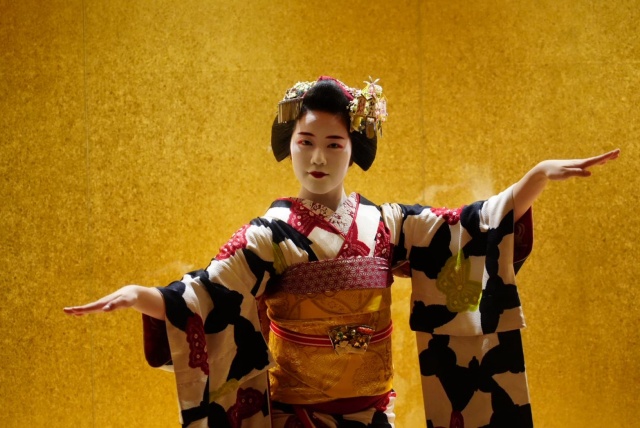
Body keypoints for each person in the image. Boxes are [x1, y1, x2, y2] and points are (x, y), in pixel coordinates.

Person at [64, 76, 619, 428]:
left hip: (373, 414)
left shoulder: (387, 223)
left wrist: (533, 180)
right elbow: (209, 294)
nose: (318, 158)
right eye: (305, 143)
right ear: (289, 147)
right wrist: (143, 297)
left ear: (354, 150)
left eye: (334, 144)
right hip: (297, 417)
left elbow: (463, 230)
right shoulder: (269, 234)